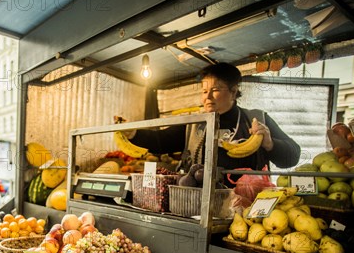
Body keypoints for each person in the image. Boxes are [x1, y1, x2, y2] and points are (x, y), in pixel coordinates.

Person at [128, 62, 301, 185]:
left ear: (233, 92)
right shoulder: (194, 124)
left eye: (216, 90)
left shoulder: (258, 119)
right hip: (198, 206)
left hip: (248, 207)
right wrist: (133, 134)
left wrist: (270, 144)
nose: (207, 97)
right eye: (204, 91)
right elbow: (160, 141)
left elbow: (292, 157)